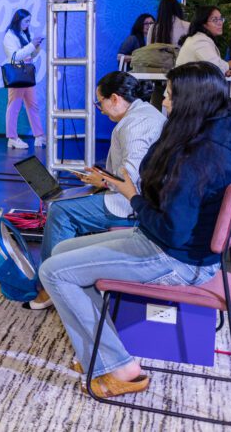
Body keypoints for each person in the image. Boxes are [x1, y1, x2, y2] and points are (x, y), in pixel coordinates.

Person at [39, 62, 231, 399]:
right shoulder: (209, 142)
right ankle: (97, 354)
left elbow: (172, 229)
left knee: (54, 271)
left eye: (168, 96)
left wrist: (133, 198)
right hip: (172, 247)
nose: (163, 103)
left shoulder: (197, 156)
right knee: (63, 253)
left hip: (175, 258)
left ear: (189, 101)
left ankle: (120, 367)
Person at [28, 72, 165, 310]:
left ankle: (48, 286)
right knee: (71, 202)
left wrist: (102, 180)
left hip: (131, 205)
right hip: (138, 197)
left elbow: (129, 178)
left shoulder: (135, 124)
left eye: (99, 102)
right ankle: (71, 275)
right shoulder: (144, 114)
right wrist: (101, 177)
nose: (99, 109)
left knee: (60, 212)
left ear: (114, 98)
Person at [3, 8, 46, 150]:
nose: (28, 24)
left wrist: (36, 47)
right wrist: (32, 45)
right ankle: (12, 138)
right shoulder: (9, 36)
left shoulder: (23, 34)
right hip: (17, 74)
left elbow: (29, 55)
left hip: (27, 73)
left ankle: (39, 136)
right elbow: (15, 56)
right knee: (14, 107)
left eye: (29, 21)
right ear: (18, 20)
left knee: (33, 105)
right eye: (26, 21)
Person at [175, 6, 231, 75]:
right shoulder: (199, 40)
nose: (220, 23)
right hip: (184, 84)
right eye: (215, 20)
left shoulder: (200, 38)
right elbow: (215, 66)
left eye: (221, 19)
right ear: (203, 24)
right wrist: (228, 65)